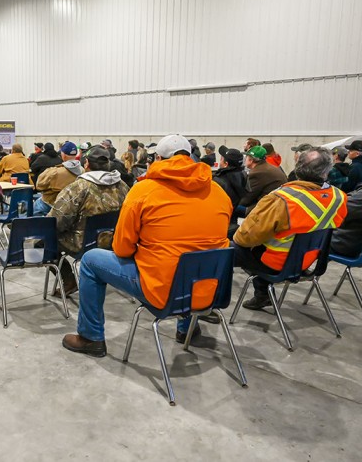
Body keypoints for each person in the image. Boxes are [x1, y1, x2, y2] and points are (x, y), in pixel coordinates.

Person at [61, 135, 232, 356]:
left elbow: (122, 249)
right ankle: (187, 328)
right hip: (210, 291)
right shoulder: (218, 192)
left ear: (158, 159)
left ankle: (90, 337)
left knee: (91, 259)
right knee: (193, 254)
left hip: (162, 291)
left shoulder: (143, 191)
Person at [232, 147, 347, 309]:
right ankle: (262, 294)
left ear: (297, 167)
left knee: (228, 249)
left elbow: (245, 238)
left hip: (276, 263)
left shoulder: (281, 199)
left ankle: (208, 303)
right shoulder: (339, 197)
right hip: (309, 261)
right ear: (327, 171)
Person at [50, 146, 129, 294]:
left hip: (82, 245)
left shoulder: (78, 188)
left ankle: (69, 281)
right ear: (108, 164)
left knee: (43, 242)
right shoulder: (123, 186)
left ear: (86, 163)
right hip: (115, 243)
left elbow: (56, 222)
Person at [238, 145, 287, 216]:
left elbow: (247, 198)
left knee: (232, 207)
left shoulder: (257, 173)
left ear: (251, 160)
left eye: (246, 157)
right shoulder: (269, 167)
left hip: (267, 210)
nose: (245, 159)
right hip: (277, 206)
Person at [33, 146, 83, 216]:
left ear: (63, 155)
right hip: (74, 206)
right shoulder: (83, 171)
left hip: (53, 205)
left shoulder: (55, 172)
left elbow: (39, 185)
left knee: (38, 203)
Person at [213, 146, 247, 237]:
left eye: (221, 159)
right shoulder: (243, 175)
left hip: (219, 225)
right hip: (232, 218)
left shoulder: (218, 182)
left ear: (226, 164)